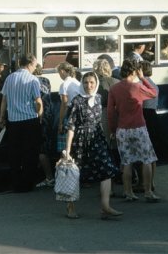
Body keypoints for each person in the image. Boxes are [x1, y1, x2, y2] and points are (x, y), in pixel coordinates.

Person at [62, 71, 122, 220]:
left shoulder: (99, 98)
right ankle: (70, 207)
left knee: (107, 169)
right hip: (81, 141)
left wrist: (108, 135)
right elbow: (71, 126)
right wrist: (68, 150)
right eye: (86, 83)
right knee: (74, 175)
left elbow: (100, 120)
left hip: (97, 138)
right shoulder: (77, 101)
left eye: (91, 83)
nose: (89, 85)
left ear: (96, 84)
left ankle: (105, 207)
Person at [107, 59, 158, 202]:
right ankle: (148, 191)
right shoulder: (137, 86)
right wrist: (143, 78)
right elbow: (154, 93)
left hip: (122, 129)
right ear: (135, 71)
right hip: (139, 127)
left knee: (127, 162)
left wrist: (113, 129)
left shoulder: (114, 89)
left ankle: (128, 192)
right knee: (146, 160)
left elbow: (111, 112)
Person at [0, 54, 43, 192]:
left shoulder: (10, 78)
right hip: (29, 121)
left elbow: (4, 100)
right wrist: (40, 117)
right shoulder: (33, 80)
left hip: (13, 122)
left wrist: (1, 117)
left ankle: (16, 184)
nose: (35, 67)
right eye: (35, 64)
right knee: (30, 153)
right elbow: (38, 101)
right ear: (30, 64)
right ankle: (28, 184)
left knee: (15, 154)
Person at [33, 64, 56, 187]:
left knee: (41, 149)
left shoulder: (32, 82)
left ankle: (49, 177)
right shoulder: (46, 80)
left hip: (40, 116)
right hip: (50, 115)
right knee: (46, 145)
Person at [141, 61, 161, 191]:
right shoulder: (155, 85)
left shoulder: (142, 85)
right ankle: (152, 181)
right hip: (153, 115)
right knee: (152, 151)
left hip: (144, 116)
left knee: (144, 152)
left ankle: (144, 183)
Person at [57, 62, 81, 146]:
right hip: (79, 114)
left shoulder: (64, 85)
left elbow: (64, 103)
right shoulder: (77, 83)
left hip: (69, 115)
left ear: (62, 71)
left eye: (59, 72)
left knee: (65, 144)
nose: (59, 75)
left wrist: (60, 122)